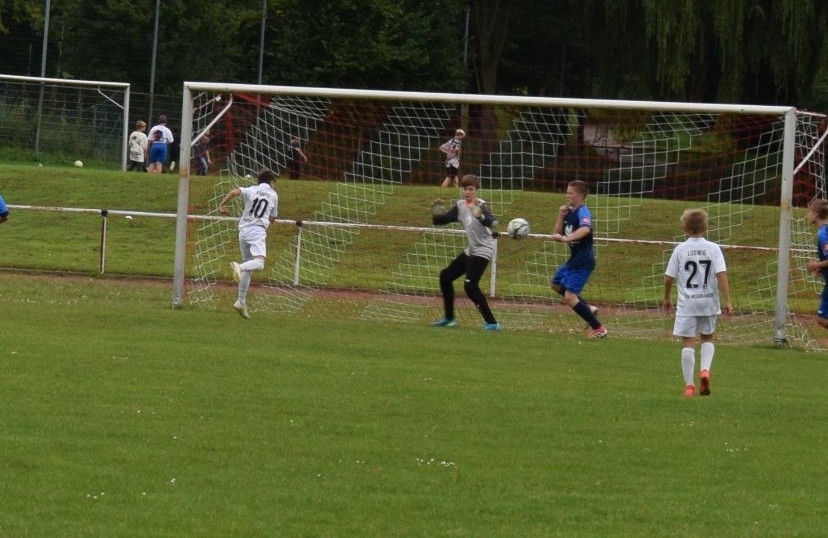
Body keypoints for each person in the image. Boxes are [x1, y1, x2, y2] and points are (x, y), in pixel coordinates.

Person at [663, 208, 733, 397]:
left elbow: (668, 277)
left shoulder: (680, 249)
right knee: (707, 337)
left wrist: (667, 297)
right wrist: (727, 300)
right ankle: (705, 371)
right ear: (706, 227)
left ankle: (689, 386)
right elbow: (721, 274)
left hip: (687, 303)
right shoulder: (713, 248)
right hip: (708, 301)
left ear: (684, 227)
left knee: (688, 342)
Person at [430, 174, 501, 330]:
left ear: (476, 190)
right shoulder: (460, 206)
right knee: (445, 276)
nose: (467, 192)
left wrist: (480, 216)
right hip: (471, 250)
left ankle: (492, 323)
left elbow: (493, 223)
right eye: (464, 189)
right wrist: (436, 213)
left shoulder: (481, 204)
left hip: (483, 250)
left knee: (470, 286)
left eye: (470, 189)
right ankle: (449, 319)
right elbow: (442, 220)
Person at [218, 170, 279, 319]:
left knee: (249, 265)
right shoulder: (273, 195)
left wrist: (222, 205)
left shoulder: (251, 190)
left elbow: (234, 192)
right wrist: (266, 220)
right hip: (257, 231)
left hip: (243, 231)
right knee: (259, 263)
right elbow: (273, 217)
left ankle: (241, 301)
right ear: (271, 182)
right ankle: (238, 267)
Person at [550, 180, 607, 338]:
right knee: (555, 284)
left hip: (584, 261)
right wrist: (561, 216)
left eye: (570, 193)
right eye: (567, 192)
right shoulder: (568, 212)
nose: (566, 195)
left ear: (580, 196)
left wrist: (566, 239)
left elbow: (585, 229)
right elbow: (557, 234)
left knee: (569, 297)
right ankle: (588, 308)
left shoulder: (583, 211)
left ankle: (599, 328)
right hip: (574, 259)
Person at [805, 198, 828, 329]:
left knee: (822, 319)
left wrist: (816, 265)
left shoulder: (823, 234)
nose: (808, 215)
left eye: (810, 212)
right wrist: (821, 267)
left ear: (816, 214)